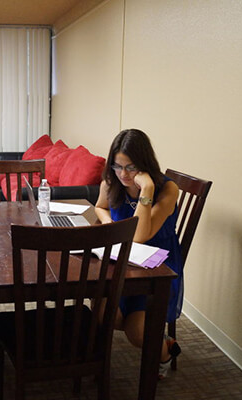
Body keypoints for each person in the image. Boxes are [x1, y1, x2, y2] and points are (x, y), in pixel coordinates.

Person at [94, 128, 183, 379]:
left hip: (156, 269)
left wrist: (146, 191)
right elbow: (100, 207)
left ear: (145, 165)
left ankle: (164, 352)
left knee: (136, 333)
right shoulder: (112, 182)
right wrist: (111, 223)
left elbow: (141, 235)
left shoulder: (167, 190)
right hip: (122, 262)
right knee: (104, 314)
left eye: (131, 167)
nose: (123, 174)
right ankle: (158, 335)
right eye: (117, 166)